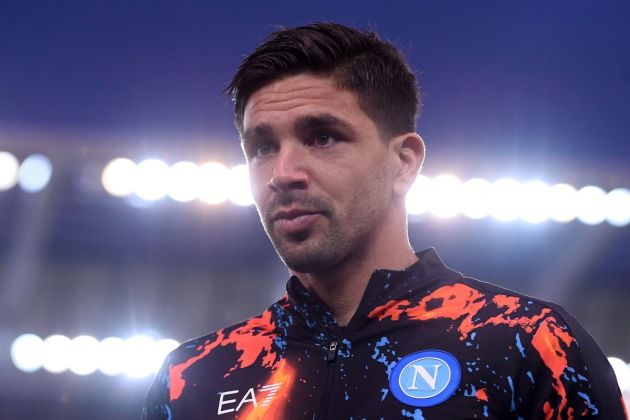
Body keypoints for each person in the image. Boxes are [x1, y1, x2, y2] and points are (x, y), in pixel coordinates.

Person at [143, 22, 627, 419]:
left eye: (323, 137)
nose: (283, 174)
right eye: (263, 147)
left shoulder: (526, 342)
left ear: (404, 162)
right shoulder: (195, 376)